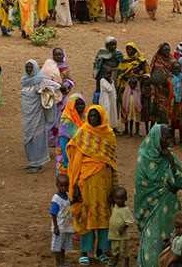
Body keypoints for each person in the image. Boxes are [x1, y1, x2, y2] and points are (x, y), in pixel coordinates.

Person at [68, 105, 117, 266]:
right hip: (86, 183)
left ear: (102, 117)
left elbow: (112, 163)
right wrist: (74, 185)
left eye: (96, 116)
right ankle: (85, 251)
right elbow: (76, 161)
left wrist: (114, 188)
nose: (93, 118)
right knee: (86, 215)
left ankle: (101, 251)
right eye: (91, 115)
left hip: (104, 183)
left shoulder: (109, 135)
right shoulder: (82, 134)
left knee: (103, 216)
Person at [134, 124, 182, 267]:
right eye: (165, 138)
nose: (168, 142)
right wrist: (167, 186)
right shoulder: (144, 157)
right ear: (156, 138)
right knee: (153, 241)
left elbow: (181, 183)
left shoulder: (170, 155)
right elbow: (141, 186)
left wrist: (171, 161)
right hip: (152, 208)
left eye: (170, 138)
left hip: (171, 206)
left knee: (172, 241)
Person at [20, 59, 55, 173]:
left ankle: (38, 163)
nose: (29, 69)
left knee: (37, 138)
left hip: (38, 116)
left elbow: (54, 87)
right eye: (27, 67)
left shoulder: (40, 81)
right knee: (27, 138)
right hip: (27, 117)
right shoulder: (25, 81)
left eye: (31, 67)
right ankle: (31, 161)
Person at [51, 173, 76, 267]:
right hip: (60, 227)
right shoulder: (56, 199)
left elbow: (68, 204)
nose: (63, 188)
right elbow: (53, 214)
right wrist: (56, 227)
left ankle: (62, 260)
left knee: (64, 245)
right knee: (57, 247)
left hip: (66, 226)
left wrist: (76, 201)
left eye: (66, 186)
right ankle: (58, 263)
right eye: (61, 186)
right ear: (57, 185)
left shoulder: (67, 195)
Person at [108, 187, 136, 267]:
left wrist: (123, 226)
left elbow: (131, 222)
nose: (119, 201)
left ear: (125, 199)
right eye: (117, 199)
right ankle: (115, 261)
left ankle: (126, 263)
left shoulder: (125, 210)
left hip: (122, 236)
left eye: (121, 199)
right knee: (114, 249)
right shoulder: (115, 206)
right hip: (114, 234)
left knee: (124, 250)